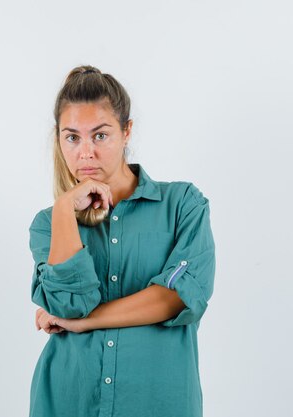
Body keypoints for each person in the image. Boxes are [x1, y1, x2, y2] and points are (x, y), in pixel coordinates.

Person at [27, 65, 216, 417]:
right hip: (69, 401)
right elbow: (69, 305)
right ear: (58, 139)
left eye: (100, 135)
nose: (85, 153)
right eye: (72, 137)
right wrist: (65, 208)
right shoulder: (48, 224)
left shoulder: (182, 205)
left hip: (158, 403)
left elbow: (177, 297)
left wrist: (85, 323)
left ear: (126, 131)